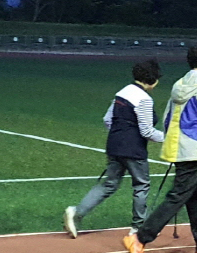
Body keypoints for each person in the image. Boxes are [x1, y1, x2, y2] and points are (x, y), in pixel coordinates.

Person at [122, 42, 197, 253]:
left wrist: (173, 141)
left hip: (180, 145)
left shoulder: (180, 83)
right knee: (178, 196)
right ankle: (140, 238)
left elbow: (167, 117)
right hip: (196, 148)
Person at [63, 59, 164, 238]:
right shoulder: (144, 99)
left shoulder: (121, 93)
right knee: (141, 185)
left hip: (114, 145)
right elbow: (147, 131)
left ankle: (77, 212)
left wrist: (120, 135)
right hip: (134, 149)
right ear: (152, 79)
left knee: (109, 184)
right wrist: (169, 138)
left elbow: (107, 120)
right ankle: (138, 227)